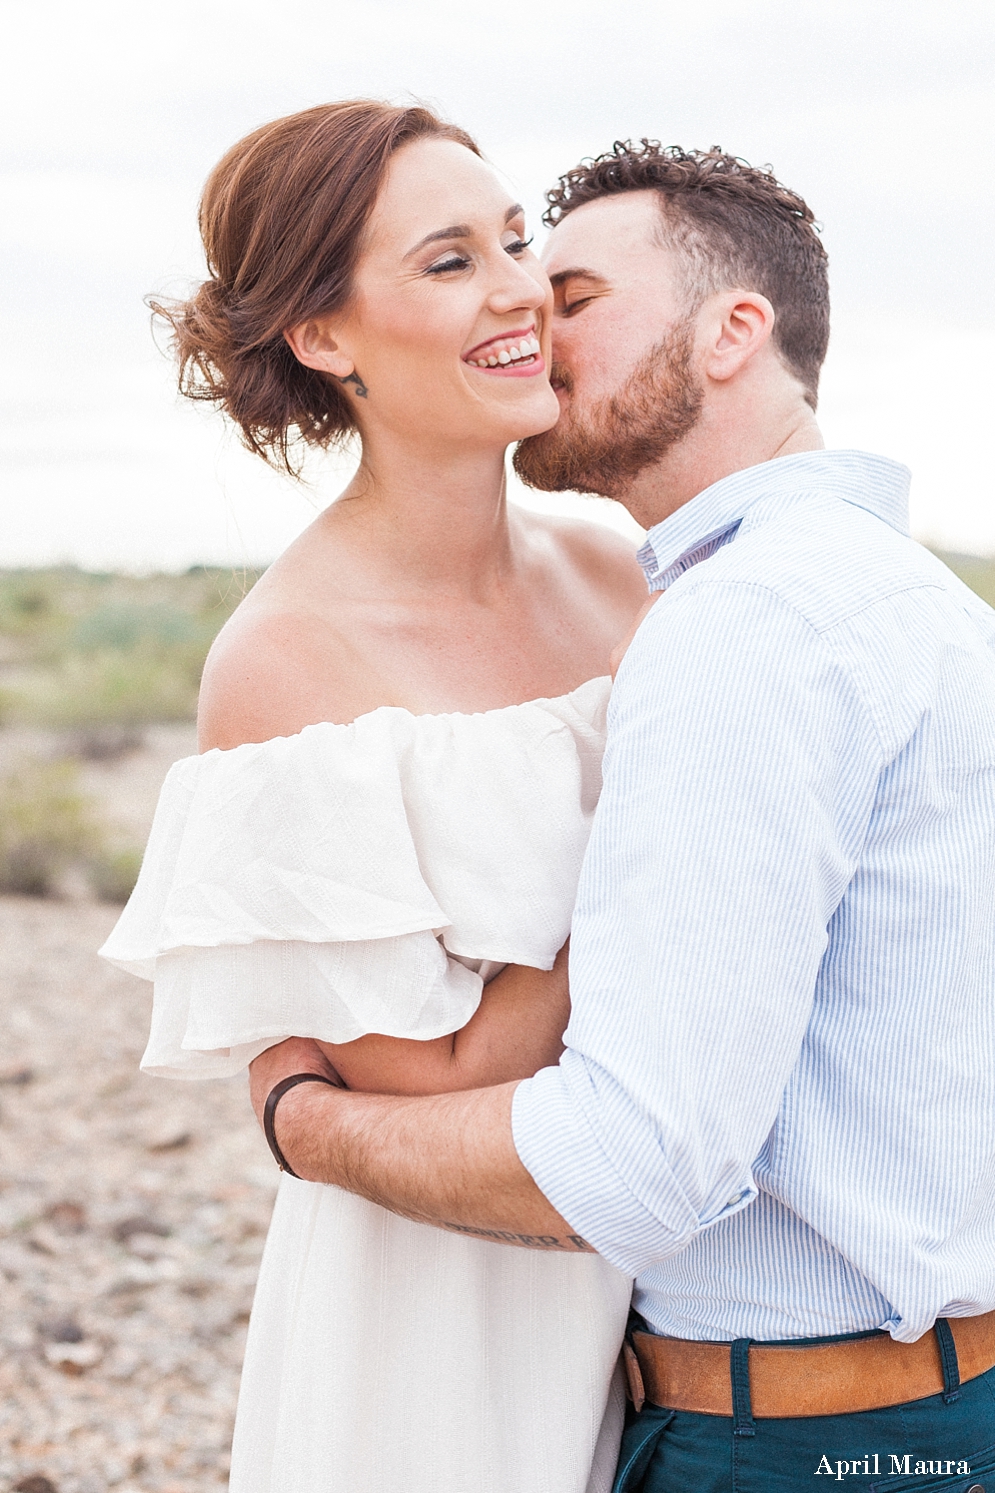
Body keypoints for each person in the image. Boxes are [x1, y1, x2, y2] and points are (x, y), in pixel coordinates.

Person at [252, 141, 995, 1493]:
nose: (533, 308)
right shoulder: (902, 596)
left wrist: (306, 1124)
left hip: (805, 1440)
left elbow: (636, 1161)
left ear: (733, 332)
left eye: (572, 287)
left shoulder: (746, 627)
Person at [99, 102, 647, 1493]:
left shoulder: (616, 569)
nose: (525, 284)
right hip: (443, 1325)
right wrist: (681, 856)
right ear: (324, 335)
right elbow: (445, 1082)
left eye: (515, 239)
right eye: (450, 260)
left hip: (679, 1282)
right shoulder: (286, 660)